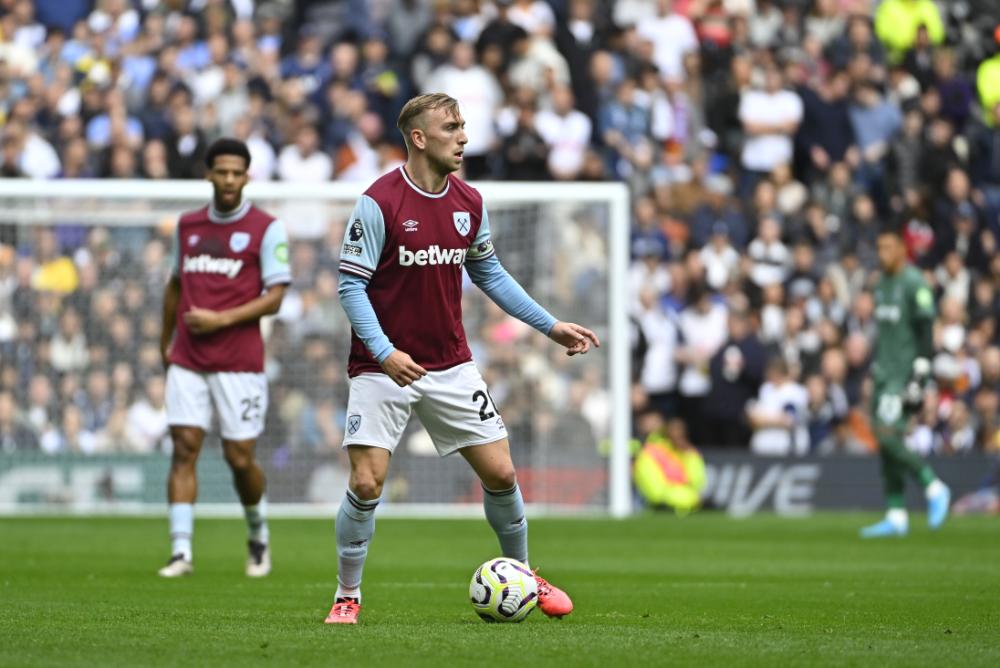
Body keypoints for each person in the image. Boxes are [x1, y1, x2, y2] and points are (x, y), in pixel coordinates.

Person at [326, 93, 599, 624]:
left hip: (449, 363)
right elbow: (350, 286)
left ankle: (522, 575)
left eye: (463, 126)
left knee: (500, 473)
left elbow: (489, 273)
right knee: (365, 483)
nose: (464, 137)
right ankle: (347, 594)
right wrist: (384, 352)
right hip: (382, 365)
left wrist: (551, 325)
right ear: (420, 138)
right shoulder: (379, 202)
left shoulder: (469, 202)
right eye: (451, 127)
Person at [157, 138, 292, 577]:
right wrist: (166, 340)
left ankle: (258, 534)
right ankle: (181, 552)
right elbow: (175, 285)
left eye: (238, 172)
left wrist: (221, 319)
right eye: (222, 172)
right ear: (209, 174)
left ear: (247, 176)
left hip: (239, 361)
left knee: (239, 458)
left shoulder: (266, 228)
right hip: (189, 359)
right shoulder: (188, 225)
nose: (230, 179)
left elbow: (274, 298)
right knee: (184, 449)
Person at [860, 227, 950, 538]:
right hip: (884, 372)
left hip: (903, 374)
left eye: (887, 247)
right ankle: (896, 514)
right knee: (885, 443)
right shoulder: (881, 284)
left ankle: (933, 486)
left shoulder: (914, 282)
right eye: (878, 247)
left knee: (887, 437)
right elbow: (884, 334)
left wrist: (920, 376)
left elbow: (926, 330)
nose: (881, 253)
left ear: (901, 249)